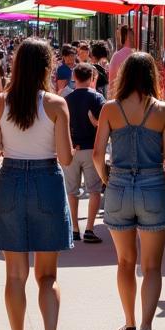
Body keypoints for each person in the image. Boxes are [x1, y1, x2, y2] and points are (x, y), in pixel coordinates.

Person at [0, 38, 74, 330]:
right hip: (47, 181)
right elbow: (65, 157)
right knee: (47, 276)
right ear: (48, 67)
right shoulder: (57, 104)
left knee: (15, 276)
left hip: (10, 181)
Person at [93, 53, 165, 330]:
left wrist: (107, 180)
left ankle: (128, 323)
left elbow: (97, 153)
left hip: (118, 185)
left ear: (124, 75)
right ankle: (146, 328)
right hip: (153, 185)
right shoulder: (163, 110)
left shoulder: (110, 109)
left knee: (125, 262)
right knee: (151, 266)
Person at [62, 62, 105, 243]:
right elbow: (104, 125)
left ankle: (74, 228)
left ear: (74, 78)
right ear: (91, 78)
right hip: (91, 149)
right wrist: (94, 122)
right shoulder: (97, 98)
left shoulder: (66, 99)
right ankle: (89, 228)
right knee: (94, 190)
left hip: (72, 148)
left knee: (71, 191)